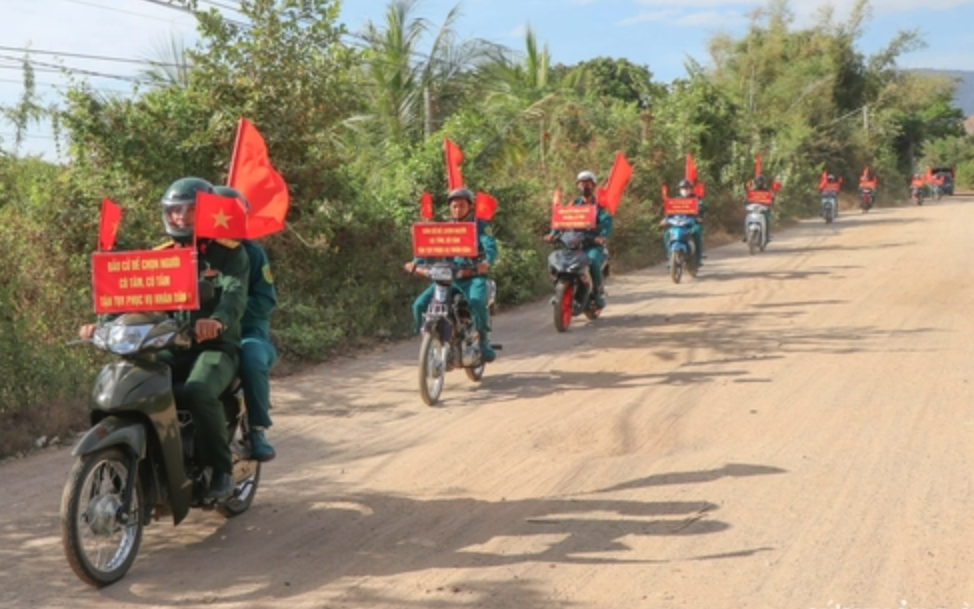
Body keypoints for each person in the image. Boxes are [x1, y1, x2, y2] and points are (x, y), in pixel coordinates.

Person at [79, 177, 249, 500]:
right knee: (139, 385)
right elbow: (130, 297)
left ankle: (221, 472)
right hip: (170, 347)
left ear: (207, 212)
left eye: (188, 211)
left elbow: (235, 297)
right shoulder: (162, 257)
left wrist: (215, 321)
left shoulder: (229, 255)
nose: (180, 218)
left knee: (197, 390)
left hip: (216, 348)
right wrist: (102, 324)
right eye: (174, 212)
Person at [213, 186, 277, 463]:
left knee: (251, 360)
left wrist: (226, 313)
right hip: (195, 333)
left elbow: (265, 301)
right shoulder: (192, 251)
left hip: (247, 332)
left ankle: (257, 429)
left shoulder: (252, 253)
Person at [405, 187, 498, 362]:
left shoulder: (480, 226)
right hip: (447, 278)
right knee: (419, 305)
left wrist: (486, 263)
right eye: (454, 206)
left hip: (472, 277)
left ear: (470, 206)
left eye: (462, 205)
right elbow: (428, 248)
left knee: (477, 302)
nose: (457, 209)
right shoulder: (445, 228)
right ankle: (428, 339)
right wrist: (415, 262)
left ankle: (483, 342)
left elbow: (491, 248)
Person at [543, 170, 612, 309]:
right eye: (581, 183)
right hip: (574, 244)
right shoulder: (573, 204)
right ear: (577, 185)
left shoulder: (600, 206)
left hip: (592, 244)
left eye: (587, 183)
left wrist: (601, 237)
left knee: (592, 263)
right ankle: (558, 291)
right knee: (557, 262)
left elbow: (607, 223)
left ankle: (598, 294)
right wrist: (552, 234)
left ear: (593, 185)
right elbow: (561, 220)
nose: (584, 186)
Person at [665, 178, 704, 268]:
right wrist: (665, 219)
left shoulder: (696, 199)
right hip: (678, 224)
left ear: (690, 189)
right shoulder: (676, 201)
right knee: (667, 234)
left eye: (686, 188)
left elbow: (702, 209)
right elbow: (670, 211)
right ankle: (670, 257)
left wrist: (698, 217)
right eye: (682, 188)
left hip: (691, 224)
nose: (684, 190)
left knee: (697, 233)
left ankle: (697, 259)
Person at [743, 174, 774, 243]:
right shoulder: (753, 191)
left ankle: (767, 235)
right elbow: (747, 199)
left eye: (761, 182)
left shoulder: (767, 191)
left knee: (767, 219)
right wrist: (745, 203)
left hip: (764, 209)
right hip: (754, 209)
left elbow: (772, 198)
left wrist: (770, 203)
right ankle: (746, 235)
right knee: (746, 218)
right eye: (758, 182)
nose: (760, 183)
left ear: (764, 182)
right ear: (756, 182)